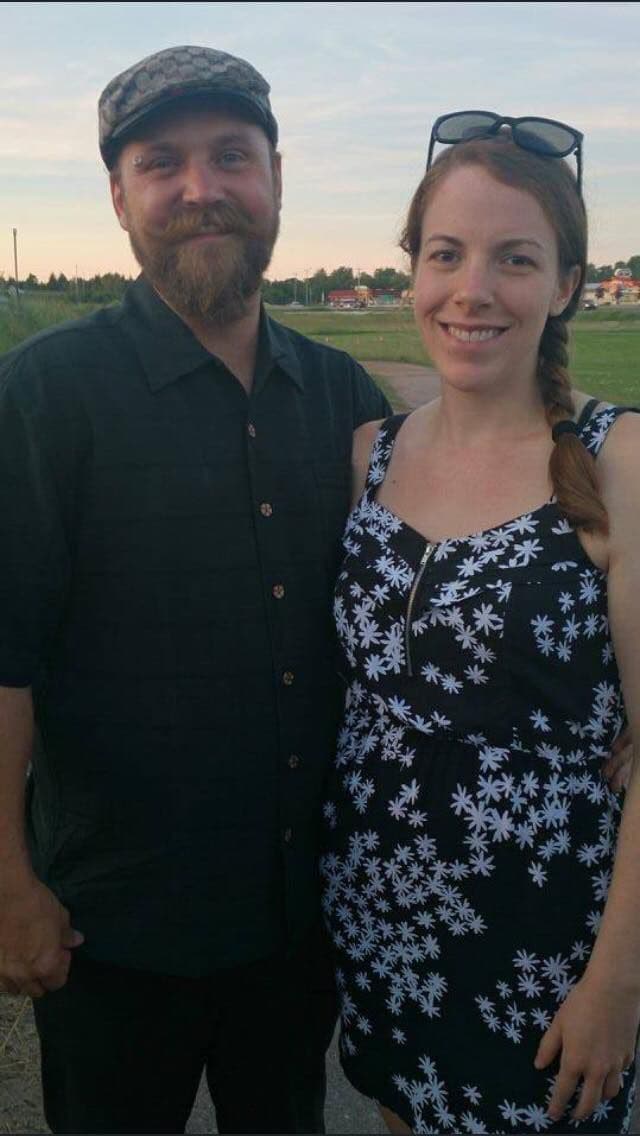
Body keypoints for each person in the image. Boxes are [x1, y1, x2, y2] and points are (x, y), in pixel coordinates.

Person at [0, 45, 391, 1135]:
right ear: (118, 195)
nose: (200, 188)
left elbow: (429, 602)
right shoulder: (44, 396)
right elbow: (3, 656)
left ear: (274, 179)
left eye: (231, 156)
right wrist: (7, 882)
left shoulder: (344, 394)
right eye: (161, 162)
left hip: (296, 921)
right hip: (114, 932)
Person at [320, 113, 640, 1134]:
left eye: (515, 258)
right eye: (446, 253)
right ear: (411, 268)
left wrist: (615, 986)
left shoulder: (620, 457)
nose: (473, 289)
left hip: (546, 956)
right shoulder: (367, 449)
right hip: (377, 923)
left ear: (562, 284)